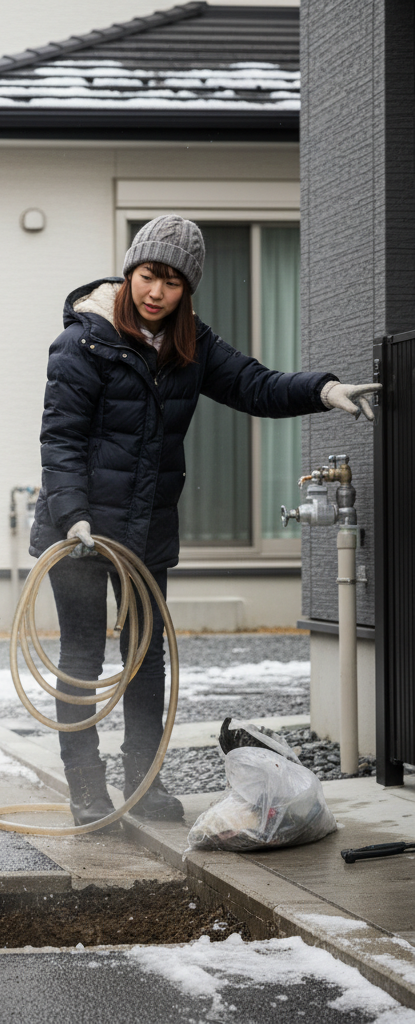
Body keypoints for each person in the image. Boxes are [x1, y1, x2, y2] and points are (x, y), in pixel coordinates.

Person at [30, 215, 380, 826]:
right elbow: (60, 441)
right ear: (130, 271)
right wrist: (74, 517)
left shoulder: (191, 348)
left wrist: (324, 390)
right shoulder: (82, 342)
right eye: (147, 275)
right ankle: (86, 789)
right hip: (78, 530)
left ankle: (144, 782)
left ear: (187, 290)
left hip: (145, 532)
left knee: (145, 654)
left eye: (171, 282)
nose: (155, 291)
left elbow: (256, 385)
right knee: (82, 658)